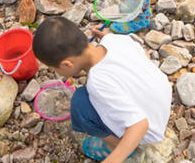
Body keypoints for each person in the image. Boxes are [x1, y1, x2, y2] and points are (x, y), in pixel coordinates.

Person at [32, 17, 172, 163]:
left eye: (54, 69)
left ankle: (114, 146)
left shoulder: (98, 83)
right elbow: (144, 54)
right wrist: (106, 36)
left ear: (67, 64)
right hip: (163, 100)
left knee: (81, 105)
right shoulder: (115, 39)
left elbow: (140, 125)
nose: (56, 72)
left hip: (150, 128)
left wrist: (112, 160)